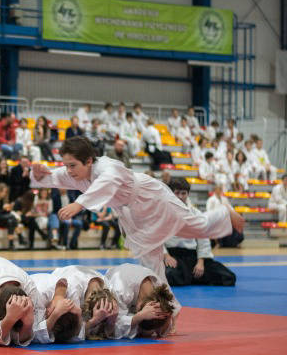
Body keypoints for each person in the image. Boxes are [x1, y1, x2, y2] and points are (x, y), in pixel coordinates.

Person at [31, 136, 244, 282]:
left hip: (152, 198)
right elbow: (52, 177)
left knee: (199, 228)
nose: (68, 171)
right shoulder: (75, 173)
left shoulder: (108, 167)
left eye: (72, 165)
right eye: (66, 165)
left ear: (88, 161)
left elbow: (107, 183)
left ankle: (224, 211)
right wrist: (40, 174)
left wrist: (79, 204)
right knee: (151, 259)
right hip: (132, 213)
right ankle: (163, 305)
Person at [164, 178, 237, 287]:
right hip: (173, 256)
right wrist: (165, 255)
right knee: (170, 276)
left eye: (183, 193)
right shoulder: (163, 213)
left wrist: (201, 261)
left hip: (193, 256)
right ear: (171, 193)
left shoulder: (195, 213)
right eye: (177, 193)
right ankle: (189, 276)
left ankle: (188, 276)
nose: (180, 196)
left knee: (228, 277)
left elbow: (203, 239)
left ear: (188, 194)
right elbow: (156, 238)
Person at [0, 256, 48, 347]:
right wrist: (10, 319)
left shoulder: (30, 290)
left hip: (0, 267)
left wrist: (28, 324)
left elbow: (35, 333)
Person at [104, 263, 180, 339]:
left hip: (131, 280)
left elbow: (163, 330)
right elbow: (111, 329)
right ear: (138, 307)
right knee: (144, 332)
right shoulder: (120, 290)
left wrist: (167, 319)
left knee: (147, 331)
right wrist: (138, 317)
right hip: (115, 278)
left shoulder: (161, 289)